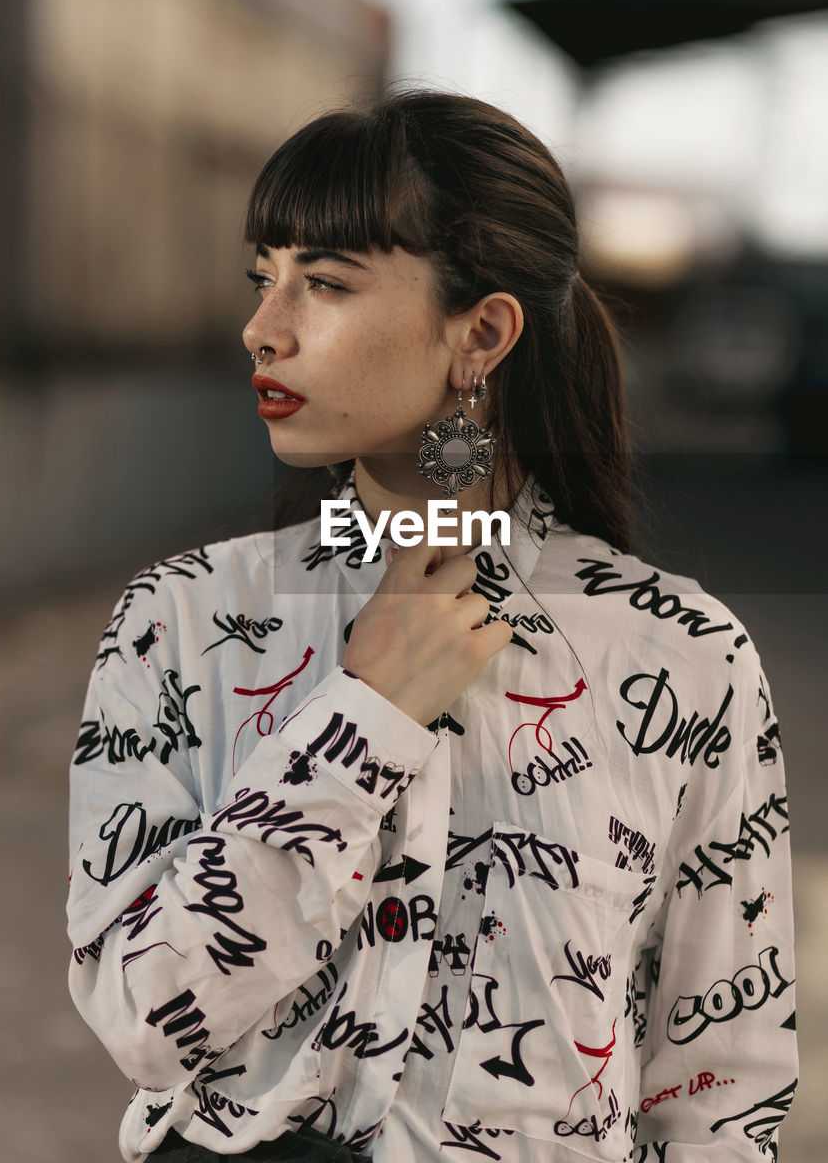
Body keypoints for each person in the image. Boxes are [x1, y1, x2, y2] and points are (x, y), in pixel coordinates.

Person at [67, 89, 798, 1162]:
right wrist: (361, 720)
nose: (261, 327)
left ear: (483, 332)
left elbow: (719, 1086)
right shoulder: (180, 620)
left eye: (323, 282)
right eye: (263, 278)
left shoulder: (682, 655)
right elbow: (143, 1012)